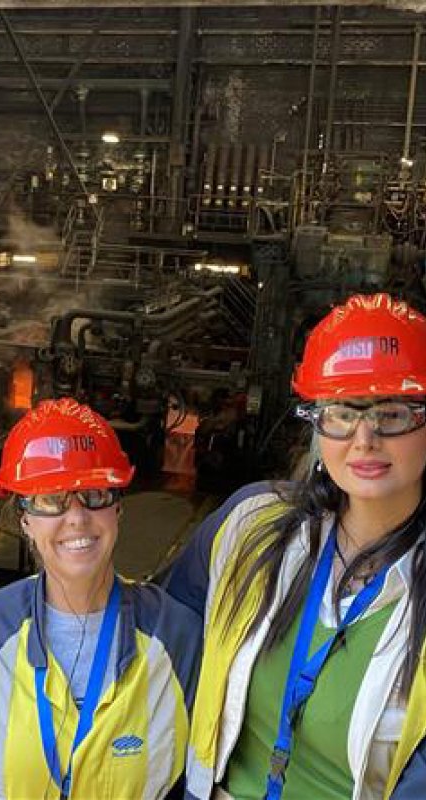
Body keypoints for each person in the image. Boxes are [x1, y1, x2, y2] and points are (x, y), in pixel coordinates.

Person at [164, 293, 426, 800]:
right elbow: (162, 643)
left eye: (392, 413)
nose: (364, 437)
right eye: (341, 412)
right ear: (317, 423)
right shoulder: (249, 526)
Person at [0, 398, 201, 799]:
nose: (77, 517)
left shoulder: (176, 635)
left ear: (118, 508)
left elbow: (201, 778)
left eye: (94, 494)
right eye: (51, 500)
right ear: (25, 519)